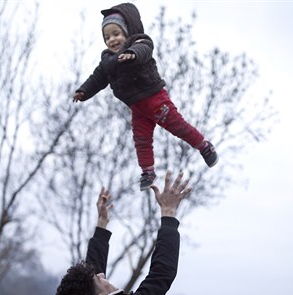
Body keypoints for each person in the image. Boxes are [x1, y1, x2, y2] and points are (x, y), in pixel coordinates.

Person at [72, 3, 218, 191]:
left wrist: (131, 54)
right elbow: (97, 79)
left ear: (128, 31)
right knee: (141, 139)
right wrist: (83, 91)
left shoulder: (140, 42)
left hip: (155, 99)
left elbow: (143, 51)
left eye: (116, 34)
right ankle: (147, 171)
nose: (112, 40)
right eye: (107, 37)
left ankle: (204, 146)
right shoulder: (108, 60)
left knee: (178, 126)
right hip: (137, 107)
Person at [42, 171, 191, 295]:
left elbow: (90, 277)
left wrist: (102, 226)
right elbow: (161, 274)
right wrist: (168, 213)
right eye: (98, 279)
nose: (102, 274)